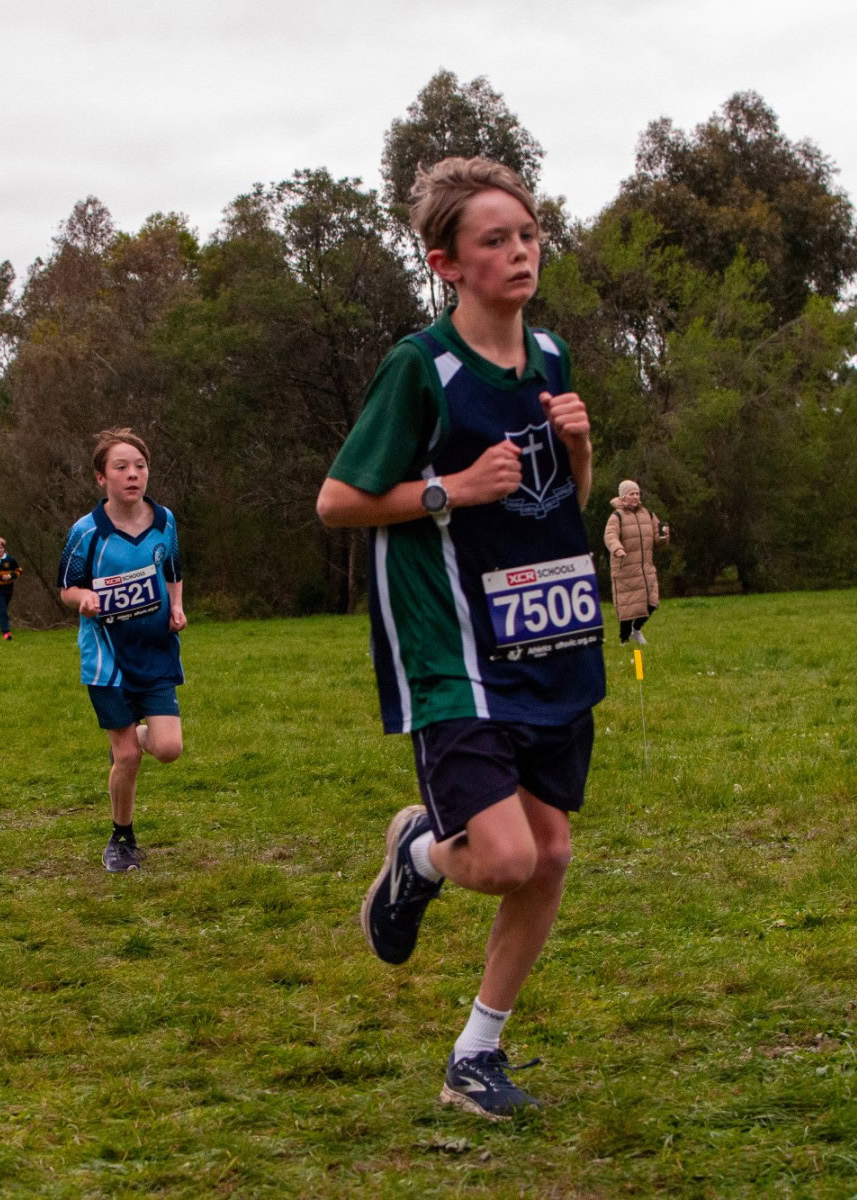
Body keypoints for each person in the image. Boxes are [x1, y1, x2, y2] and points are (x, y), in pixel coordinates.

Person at [316, 157, 606, 1120]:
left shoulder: (552, 355)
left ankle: (476, 1056)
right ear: (447, 263)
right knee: (507, 857)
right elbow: (337, 502)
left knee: (550, 855)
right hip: (455, 648)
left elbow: (563, 501)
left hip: (551, 634)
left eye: (528, 235)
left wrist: (579, 448)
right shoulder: (422, 368)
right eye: (496, 240)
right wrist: (450, 489)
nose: (520, 252)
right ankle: (422, 855)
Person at [58, 428, 186, 873]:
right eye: (121, 467)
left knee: (168, 749)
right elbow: (66, 587)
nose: (133, 474)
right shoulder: (86, 532)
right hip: (106, 658)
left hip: (155, 651)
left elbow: (172, 569)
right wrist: (84, 599)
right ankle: (121, 839)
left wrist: (177, 607)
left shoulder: (164, 520)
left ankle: (135, 738)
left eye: (140, 466)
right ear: (101, 478)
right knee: (127, 756)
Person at [603, 479, 669, 646]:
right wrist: (617, 548)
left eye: (637, 493)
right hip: (625, 568)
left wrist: (664, 536)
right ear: (623, 496)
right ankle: (624, 641)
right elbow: (610, 536)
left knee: (652, 603)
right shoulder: (616, 516)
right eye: (632, 494)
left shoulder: (648, 514)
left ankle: (636, 630)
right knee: (628, 607)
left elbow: (658, 539)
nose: (636, 497)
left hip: (646, 569)